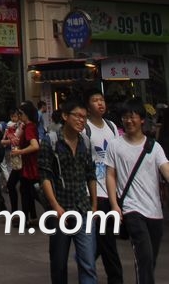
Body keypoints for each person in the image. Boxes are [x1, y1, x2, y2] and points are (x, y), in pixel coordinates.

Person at [106, 97, 169, 284]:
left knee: (149, 259)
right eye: (125, 117)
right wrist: (114, 205)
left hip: (154, 211)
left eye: (132, 116)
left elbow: (166, 169)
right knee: (145, 256)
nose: (128, 120)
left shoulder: (154, 147)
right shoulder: (115, 145)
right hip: (131, 209)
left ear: (141, 119)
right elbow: (110, 175)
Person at [39, 97, 98, 284]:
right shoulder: (51, 141)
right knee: (59, 262)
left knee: (88, 262)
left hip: (83, 208)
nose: (81, 120)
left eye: (84, 117)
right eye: (77, 116)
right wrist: (55, 206)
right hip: (60, 209)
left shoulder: (85, 142)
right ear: (65, 116)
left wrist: (94, 205)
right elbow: (45, 176)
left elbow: (91, 175)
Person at [85, 89, 123, 284]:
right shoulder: (85, 129)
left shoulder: (112, 126)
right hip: (95, 192)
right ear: (88, 106)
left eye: (102, 99)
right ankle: (116, 278)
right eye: (95, 100)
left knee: (105, 237)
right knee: (108, 239)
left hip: (112, 190)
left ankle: (86, 257)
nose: (100, 103)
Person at [15, 100, 40, 224]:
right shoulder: (29, 126)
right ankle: (31, 217)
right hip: (29, 165)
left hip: (30, 165)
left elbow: (35, 146)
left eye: (21, 114)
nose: (19, 116)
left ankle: (25, 218)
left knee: (27, 191)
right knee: (29, 191)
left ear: (27, 114)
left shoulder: (29, 127)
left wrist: (19, 152)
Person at [2, 106, 24, 212]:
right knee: (25, 188)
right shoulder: (18, 125)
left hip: (20, 157)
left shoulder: (23, 126)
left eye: (19, 114)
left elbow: (15, 139)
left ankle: (17, 213)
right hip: (18, 156)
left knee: (16, 185)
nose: (18, 117)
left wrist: (3, 141)